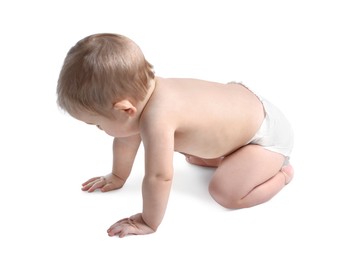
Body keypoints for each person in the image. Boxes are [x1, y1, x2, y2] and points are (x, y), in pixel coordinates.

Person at [57, 33, 294, 238]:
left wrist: (147, 221)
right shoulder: (144, 98)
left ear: (125, 109)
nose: (101, 131)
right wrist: (118, 176)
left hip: (267, 138)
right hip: (245, 109)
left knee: (225, 193)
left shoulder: (158, 119)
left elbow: (159, 177)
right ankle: (228, 156)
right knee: (193, 153)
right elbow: (126, 138)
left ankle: (281, 175)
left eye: (98, 125)